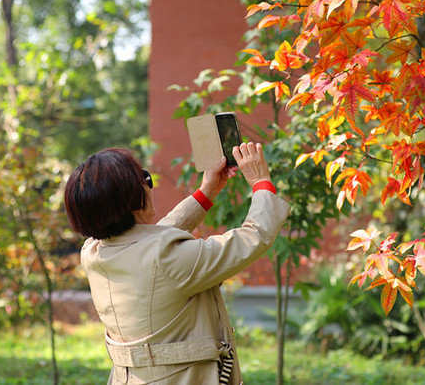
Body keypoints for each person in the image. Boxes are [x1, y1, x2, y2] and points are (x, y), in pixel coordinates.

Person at [64, 143, 290, 384]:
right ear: (132, 198)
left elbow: (151, 238)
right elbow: (253, 237)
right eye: (145, 179)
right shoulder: (165, 257)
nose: (150, 185)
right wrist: (261, 181)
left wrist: (207, 191)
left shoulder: (93, 251)